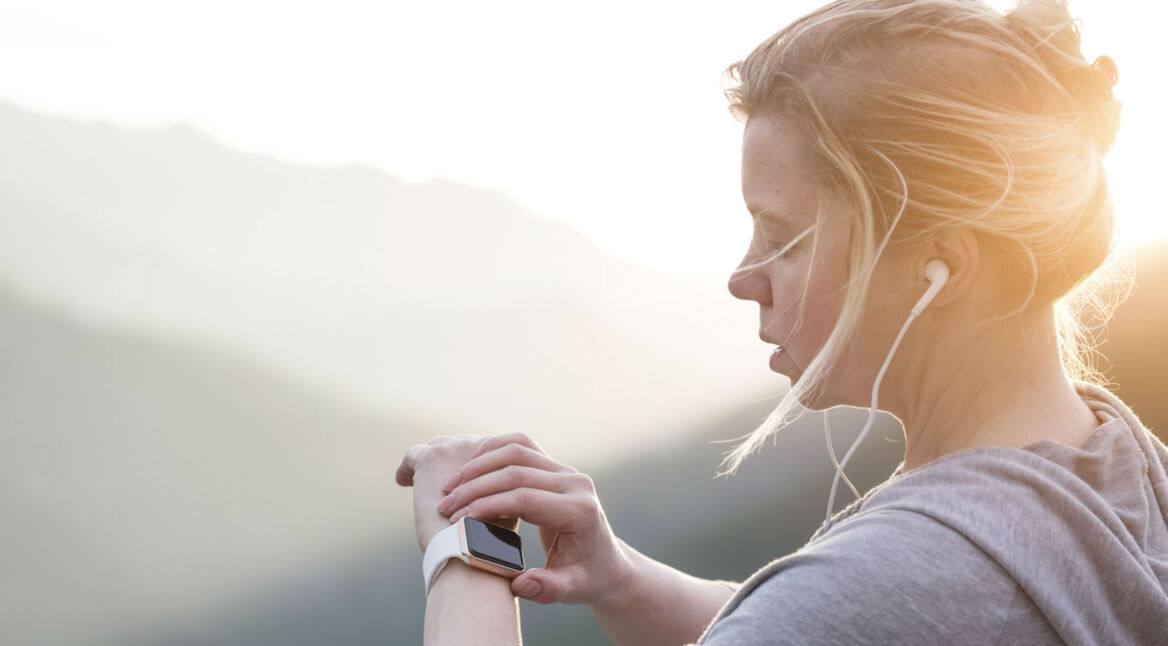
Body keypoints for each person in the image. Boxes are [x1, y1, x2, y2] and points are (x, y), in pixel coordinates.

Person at [396, 0, 1168, 643]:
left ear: (944, 267)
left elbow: (853, 612)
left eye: (781, 238)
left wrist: (465, 557)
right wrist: (623, 581)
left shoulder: (904, 579)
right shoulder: (1122, 469)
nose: (742, 278)